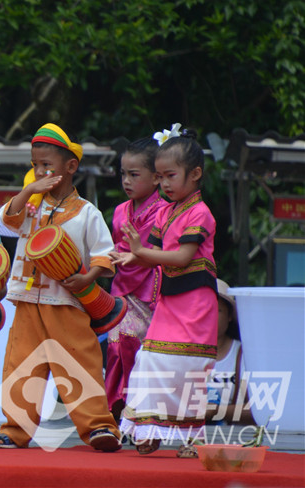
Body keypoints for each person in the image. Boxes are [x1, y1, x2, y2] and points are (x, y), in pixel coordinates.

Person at [0, 123, 121, 452]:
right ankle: (14, 430)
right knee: (21, 365)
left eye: (47, 165)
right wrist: (30, 189)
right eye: (35, 165)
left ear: (70, 167)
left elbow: (106, 253)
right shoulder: (31, 205)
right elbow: (9, 217)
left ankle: (99, 428)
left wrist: (88, 277)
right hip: (26, 301)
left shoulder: (87, 212)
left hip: (67, 301)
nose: (40, 171)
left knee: (80, 362)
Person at [115, 125, 219, 456]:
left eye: (170, 176)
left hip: (195, 304)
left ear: (195, 174)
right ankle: (149, 427)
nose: (163, 184)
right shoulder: (166, 212)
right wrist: (134, 255)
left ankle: (193, 437)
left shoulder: (201, 213)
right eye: (159, 177)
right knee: (150, 359)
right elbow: (153, 256)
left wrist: (141, 253)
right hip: (170, 301)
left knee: (188, 368)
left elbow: (182, 256)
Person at [105, 138, 169, 422]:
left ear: (156, 178)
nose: (127, 181)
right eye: (123, 174)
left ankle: (139, 409)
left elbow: (143, 251)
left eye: (134, 174)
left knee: (141, 351)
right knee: (118, 345)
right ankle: (115, 408)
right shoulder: (121, 210)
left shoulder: (163, 210)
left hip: (149, 290)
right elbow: (119, 248)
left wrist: (117, 256)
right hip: (122, 290)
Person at [205, 280, 255, 425]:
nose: (208, 316)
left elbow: (258, 410)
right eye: (203, 309)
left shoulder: (243, 356)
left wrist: (218, 411)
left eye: (217, 310)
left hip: (231, 440)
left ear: (229, 316)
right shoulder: (181, 354)